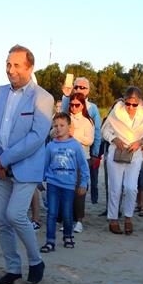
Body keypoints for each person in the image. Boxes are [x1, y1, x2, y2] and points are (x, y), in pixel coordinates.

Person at [0, 45, 54, 284]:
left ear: (30, 68)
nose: (10, 70)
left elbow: (36, 137)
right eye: (8, 64)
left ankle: (35, 260)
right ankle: (13, 268)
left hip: (26, 168)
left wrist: (3, 160)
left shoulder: (43, 98)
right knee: (1, 220)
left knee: (15, 214)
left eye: (16, 65)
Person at [102, 86, 143, 235]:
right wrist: (114, 139)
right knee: (115, 187)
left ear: (140, 103)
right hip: (116, 152)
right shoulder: (117, 111)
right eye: (128, 103)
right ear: (124, 101)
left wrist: (140, 142)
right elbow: (105, 130)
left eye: (134, 104)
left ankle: (128, 217)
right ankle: (113, 218)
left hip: (135, 154)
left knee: (131, 187)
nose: (130, 107)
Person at [42, 113, 90, 252]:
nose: (58, 128)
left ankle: (68, 236)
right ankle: (50, 241)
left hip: (69, 185)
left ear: (69, 126)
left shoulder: (75, 145)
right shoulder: (50, 146)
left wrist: (83, 183)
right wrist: (41, 180)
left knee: (67, 213)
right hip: (53, 183)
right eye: (56, 126)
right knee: (52, 213)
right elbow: (45, 164)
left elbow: (83, 166)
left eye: (62, 125)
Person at [61, 77, 102, 204]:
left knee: (84, 181)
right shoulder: (68, 102)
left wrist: (95, 153)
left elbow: (97, 131)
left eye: (82, 87)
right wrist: (66, 96)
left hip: (84, 152)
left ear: (88, 90)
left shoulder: (92, 108)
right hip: (66, 152)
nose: (79, 89)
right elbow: (61, 119)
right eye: (76, 87)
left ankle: (87, 204)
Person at [67, 92, 94, 233]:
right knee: (67, 190)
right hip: (65, 158)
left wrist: (74, 135)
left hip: (81, 158)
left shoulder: (87, 121)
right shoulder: (65, 118)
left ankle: (79, 220)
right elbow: (53, 132)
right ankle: (68, 219)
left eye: (77, 105)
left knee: (79, 191)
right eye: (71, 105)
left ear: (82, 105)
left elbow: (89, 140)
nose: (74, 108)